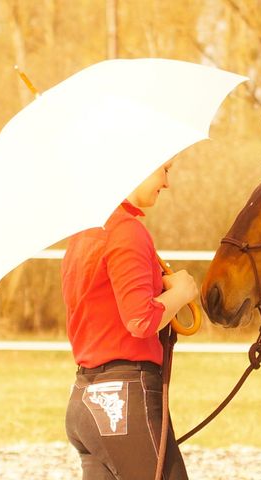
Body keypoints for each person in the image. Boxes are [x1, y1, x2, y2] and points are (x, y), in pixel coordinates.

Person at [61, 158, 197, 479]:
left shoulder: (84, 233)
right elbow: (141, 320)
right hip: (124, 398)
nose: (167, 182)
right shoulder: (126, 232)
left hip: (87, 396)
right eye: (164, 170)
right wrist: (182, 291)